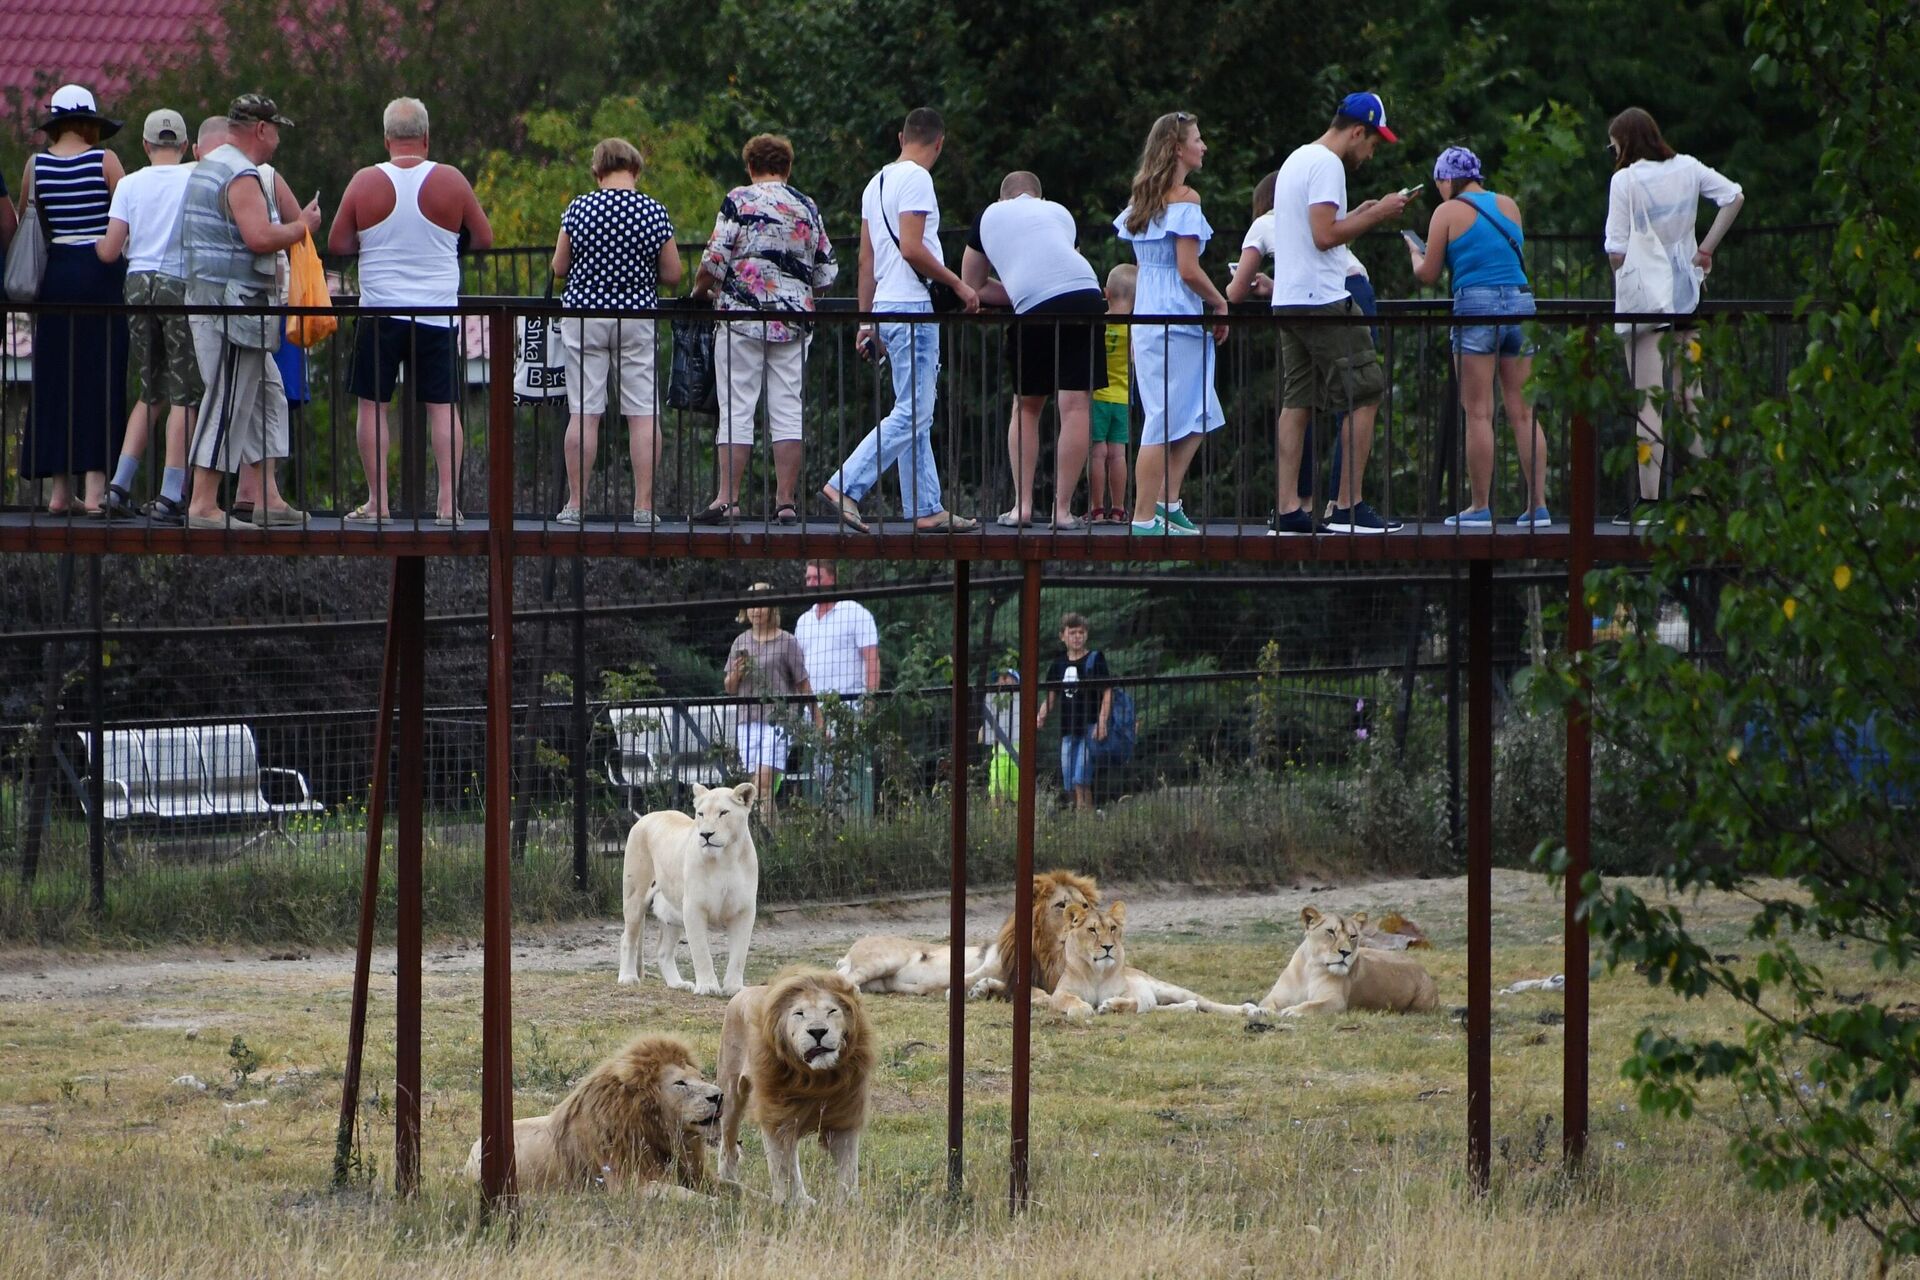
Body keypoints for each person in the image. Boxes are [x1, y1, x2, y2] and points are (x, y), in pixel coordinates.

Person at [329, 96, 493, 525]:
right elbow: (484, 238)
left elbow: (338, 244)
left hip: (381, 309)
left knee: (373, 406)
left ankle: (378, 503)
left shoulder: (365, 182)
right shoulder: (451, 181)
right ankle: (446, 506)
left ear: (386, 140)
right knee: (443, 407)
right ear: (426, 137)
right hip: (436, 311)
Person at [820, 107, 980, 535]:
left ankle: (926, 506)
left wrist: (866, 321)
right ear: (939, 143)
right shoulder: (919, 179)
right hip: (912, 307)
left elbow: (866, 259)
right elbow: (912, 248)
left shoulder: (877, 183)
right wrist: (959, 286)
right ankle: (846, 484)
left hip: (888, 307)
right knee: (914, 411)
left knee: (914, 409)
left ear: (900, 137)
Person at [1267, 92, 1411, 535]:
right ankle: (1348, 506)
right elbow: (1325, 236)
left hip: (1289, 298)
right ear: (1356, 131)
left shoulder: (1297, 159)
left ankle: (1288, 508)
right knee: (1365, 390)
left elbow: (1316, 230)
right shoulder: (1329, 165)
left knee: (1298, 400)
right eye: (1373, 143)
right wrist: (1382, 213)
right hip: (1323, 299)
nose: (1371, 153)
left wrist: (1363, 212)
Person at [179, 95, 322, 529]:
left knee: (266, 394)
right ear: (261, 129)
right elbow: (259, 237)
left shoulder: (212, 164)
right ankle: (204, 503)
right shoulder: (240, 173)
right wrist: (304, 227)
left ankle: (264, 496)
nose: (278, 139)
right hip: (233, 307)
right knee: (228, 399)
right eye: (275, 129)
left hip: (212, 298)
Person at [1603, 106, 1744, 526]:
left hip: (1648, 301)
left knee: (1648, 399)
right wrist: (1705, 250)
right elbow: (1734, 196)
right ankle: (1702, 495)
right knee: (1689, 394)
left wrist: (1629, 274)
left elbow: (1615, 249)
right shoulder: (1688, 168)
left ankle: (1649, 502)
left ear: (1624, 143)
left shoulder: (1624, 181)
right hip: (1685, 295)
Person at [690, 133, 836, 526]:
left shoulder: (739, 200)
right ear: (787, 168)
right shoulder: (806, 205)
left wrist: (699, 292)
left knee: (737, 408)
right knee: (788, 409)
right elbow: (825, 272)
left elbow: (715, 258)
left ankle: (729, 500)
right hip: (794, 318)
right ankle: (786, 502)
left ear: (750, 167)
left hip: (741, 317)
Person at [1408, 146, 1551, 527]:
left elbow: (1428, 273)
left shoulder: (1446, 212)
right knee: (1523, 411)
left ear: (1445, 179)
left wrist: (1414, 254)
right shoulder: (1508, 205)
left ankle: (1479, 507)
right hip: (1520, 304)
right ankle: (1538, 506)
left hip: (1476, 307)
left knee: (1479, 412)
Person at [960, 170, 1107, 530]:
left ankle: (1022, 507)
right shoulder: (1060, 212)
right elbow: (1059, 265)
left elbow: (971, 286)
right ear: (1039, 197)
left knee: (1026, 406)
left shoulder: (989, 215)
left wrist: (1018, 291)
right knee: (1075, 406)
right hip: (1087, 294)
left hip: (1035, 309)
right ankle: (1062, 511)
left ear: (1002, 198)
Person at [1228, 169, 1376, 516]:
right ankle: (1343, 503)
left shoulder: (1266, 222)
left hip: (1304, 300)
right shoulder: (1312, 217)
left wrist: (1242, 289)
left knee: (1302, 399)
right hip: (1349, 291)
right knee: (1356, 397)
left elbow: (1235, 293)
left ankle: (1296, 502)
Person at [548, 137, 678, 527]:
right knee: (641, 413)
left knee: (584, 413)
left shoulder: (579, 208)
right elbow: (673, 274)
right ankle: (643, 505)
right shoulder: (653, 211)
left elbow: (558, 267)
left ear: (597, 171)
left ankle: (575, 504)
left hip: (585, 316)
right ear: (635, 169)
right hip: (637, 316)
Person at [1112, 111, 1228, 538]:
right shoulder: (1186, 199)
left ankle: (1167, 502)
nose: (1204, 146)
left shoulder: (1143, 202)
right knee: (1163, 417)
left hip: (1152, 313)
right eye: (1198, 139)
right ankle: (1143, 517)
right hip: (1174, 317)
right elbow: (1188, 270)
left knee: (1199, 409)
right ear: (1178, 148)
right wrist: (1220, 302)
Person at [19, 84, 128, 516]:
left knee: (57, 379)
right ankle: (97, 492)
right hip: (100, 274)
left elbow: (33, 218)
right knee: (101, 376)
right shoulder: (105, 160)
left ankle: (60, 492)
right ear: (89, 123)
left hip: (57, 274)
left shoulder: (36, 165)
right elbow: (126, 215)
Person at [93, 108, 201, 524]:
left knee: (148, 388)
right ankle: (170, 494)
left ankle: (118, 486)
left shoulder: (131, 184)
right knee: (184, 392)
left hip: (137, 285)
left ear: (145, 145)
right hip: (179, 284)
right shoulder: (195, 177)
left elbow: (109, 250)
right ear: (186, 145)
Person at [725, 583, 821, 827]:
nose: (757, 610)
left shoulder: (787, 641)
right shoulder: (740, 641)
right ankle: (771, 845)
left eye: (762, 604)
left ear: (772, 608)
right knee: (757, 791)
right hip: (747, 721)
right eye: (752, 604)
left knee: (763, 784)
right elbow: (729, 687)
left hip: (778, 722)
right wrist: (735, 674)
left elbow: (802, 683)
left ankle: (769, 845)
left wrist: (818, 718)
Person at [792, 559, 880, 815]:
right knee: (820, 779)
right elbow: (800, 674)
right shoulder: (803, 621)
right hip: (814, 714)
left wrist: (869, 702)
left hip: (850, 709)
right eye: (807, 579)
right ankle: (828, 833)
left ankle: (857, 830)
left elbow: (871, 659)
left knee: (852, 777)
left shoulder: (854, 612)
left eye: (816, 578)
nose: (811, 584)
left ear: (832, 578)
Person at [1036, 613, 1112, 812]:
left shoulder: (1095, 659)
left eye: (1081, 632)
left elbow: (1107, 691)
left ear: (1086, 635)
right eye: (1072, 632)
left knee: (1081, 778)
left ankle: (1082, 822)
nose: (1077, 636)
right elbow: (1052, 697)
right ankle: (1087, 816)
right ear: (1063, 636)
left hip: (1090, 727)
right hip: (1068, 730)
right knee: (1070, 781)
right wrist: (1041, 714)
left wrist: (1102, 722)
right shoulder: (1058, 665)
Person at [1088, 264, 1135, 524]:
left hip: (1097, 397)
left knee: (1097, 453)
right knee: (1118, 454)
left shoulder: (1099, 323)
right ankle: (1118, 509)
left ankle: (1096, 509)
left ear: (1106, 293)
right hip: (1122, 398)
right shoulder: (1135, 328)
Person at [982, 668, 1020, 806]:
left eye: (1007, 677)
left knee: (1019, 800)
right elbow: (981, 737)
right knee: (996, 798)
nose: (1003, 681)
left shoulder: (1023, 705)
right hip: (998, 759)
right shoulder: (992, 707)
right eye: (1000, 678)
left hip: (1019, 759)